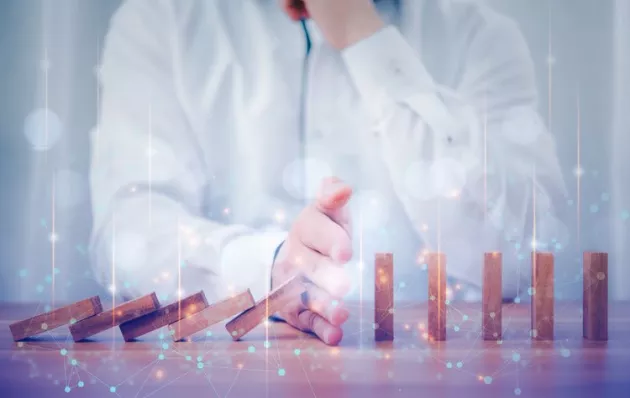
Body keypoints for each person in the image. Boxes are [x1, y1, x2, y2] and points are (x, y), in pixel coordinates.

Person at [90, 0, 567, 346]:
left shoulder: (478, 34)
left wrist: (365, 35)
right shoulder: (161, 20)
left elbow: (518, 259)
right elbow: (127, 230)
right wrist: (271, 266)